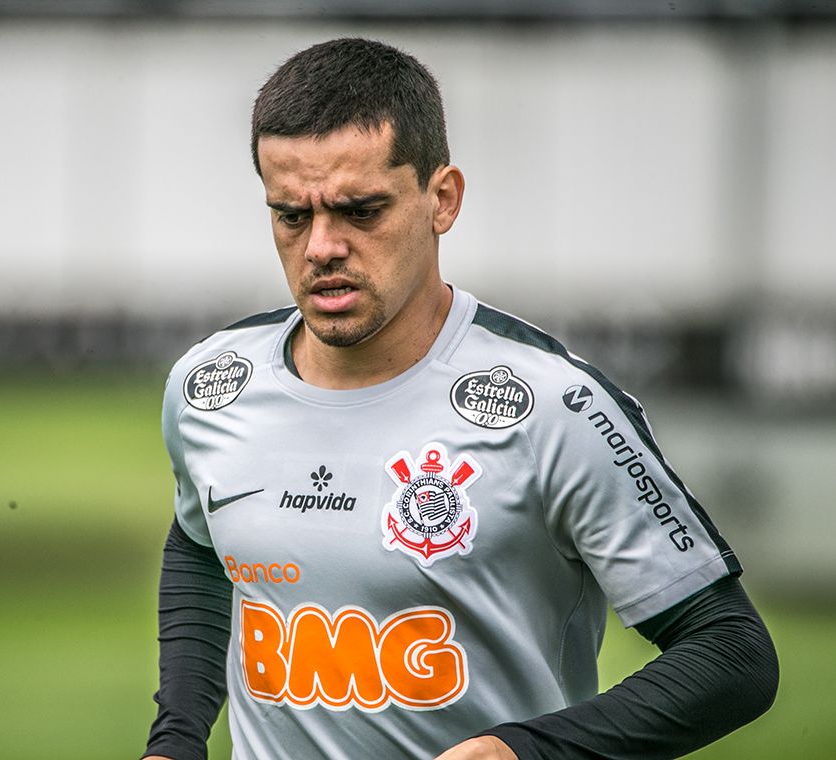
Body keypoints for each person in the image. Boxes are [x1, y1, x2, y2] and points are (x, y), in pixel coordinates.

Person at [142, 37, 777, 760]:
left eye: (360, 211)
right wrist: (177, 737)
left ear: (441, 200)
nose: (321, 246)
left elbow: (732, 654)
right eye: (291, 215)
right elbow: (201, 545)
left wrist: (521, 751)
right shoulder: (211, 386)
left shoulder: (553, 407)